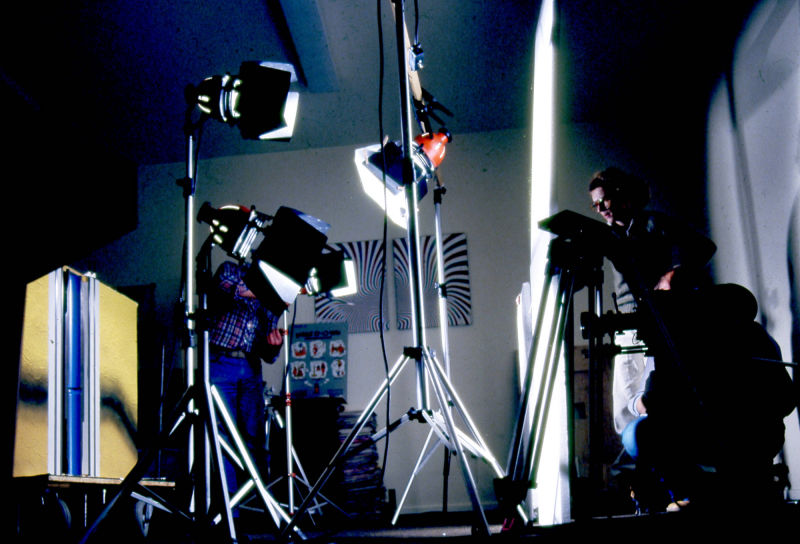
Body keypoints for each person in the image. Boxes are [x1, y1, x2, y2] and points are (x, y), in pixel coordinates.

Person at [206, 259, 285, 506]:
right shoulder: (231, 269)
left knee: (255, 438)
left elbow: (268, 354)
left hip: (251, 367)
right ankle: (230, 510)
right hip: (220, 363)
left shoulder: (272, 296)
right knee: (223, 437)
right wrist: (273, 292)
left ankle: (257, 506)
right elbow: (230, 289)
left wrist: (274, 345)